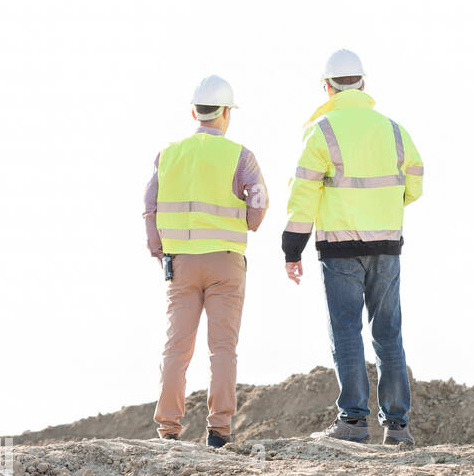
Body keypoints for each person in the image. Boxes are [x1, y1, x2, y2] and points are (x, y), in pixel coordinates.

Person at [283, 48, 423, 446]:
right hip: (387, 245)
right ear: (364, 84)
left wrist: (292, 247)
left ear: (327, 88)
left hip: (339, 245)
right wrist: (385, 209)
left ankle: (354, 421)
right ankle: (397, 427)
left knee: (346, 331)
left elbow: (303, 193)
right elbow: (415, 183)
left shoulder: (321, 130)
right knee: (388, 331)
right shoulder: (394, 129)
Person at [143, 75, 267, 447]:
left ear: (194, 112)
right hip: (226, 262)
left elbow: (150, 207)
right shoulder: (240, 156)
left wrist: (160, 250)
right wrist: (248, 221)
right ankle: (219, 430)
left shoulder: (168, 155)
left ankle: (168, 429)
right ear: (226, 113)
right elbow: (259, 203)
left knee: (176, 347)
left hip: (181, 264)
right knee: (223, 348)